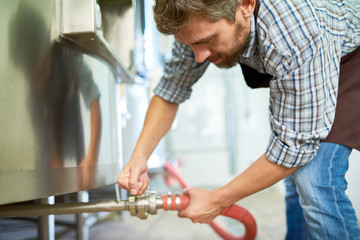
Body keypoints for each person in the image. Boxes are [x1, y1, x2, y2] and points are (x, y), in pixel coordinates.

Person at [118, 0, 360, 239]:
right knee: (294, 180)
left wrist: (217, 199)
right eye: (191, 44)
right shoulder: (196, 21)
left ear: (246, 5)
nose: (199, 57)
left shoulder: (294, 32)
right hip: (309, 55)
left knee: (315, 179)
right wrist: (140, 156)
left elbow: (294, 148)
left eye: (208, 40)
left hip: (349, 57)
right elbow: (171, 90)